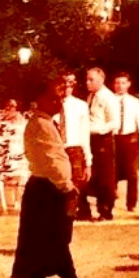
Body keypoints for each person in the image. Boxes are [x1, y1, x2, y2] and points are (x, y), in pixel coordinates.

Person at [11, 73, 90, 278]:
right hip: (46, 188)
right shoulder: (40, 125)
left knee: (55, 238)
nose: (59, 100)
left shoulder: (46, 123)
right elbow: (51, 160)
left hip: (47, 186)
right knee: (43, 239)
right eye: (53, 96)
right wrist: (67, 187)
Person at [110, 72, 139, 215]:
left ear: (128, 84)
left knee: (131, 173)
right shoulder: (108, 100)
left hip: (129, 139)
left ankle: (131, 203)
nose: (120, 86)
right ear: (113, 84)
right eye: (117, 83)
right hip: (112, 138)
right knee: (112, 172)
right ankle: (110, 201)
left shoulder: (134, 102)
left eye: (123, 83)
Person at [83, 66, 118, 220]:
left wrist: (97, 129)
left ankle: (106, 209)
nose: (87, 83)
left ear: (101, 80)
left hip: (102, 139)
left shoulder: (108, 97)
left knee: (105, 176)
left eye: (91, 80)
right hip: (90, 139)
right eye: (87, 79)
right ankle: (90, 209)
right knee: (92, 175)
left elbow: (114, 122)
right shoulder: (91, 96)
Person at [60, 74, 91, 207]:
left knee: (76, 184)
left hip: (74, 148)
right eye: (64, 83)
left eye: (71, 83)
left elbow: (85, 133)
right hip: (57, 148)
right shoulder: (51, 105)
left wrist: (88, 161)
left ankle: (75, 211)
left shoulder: (80, 105)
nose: (67, 87)